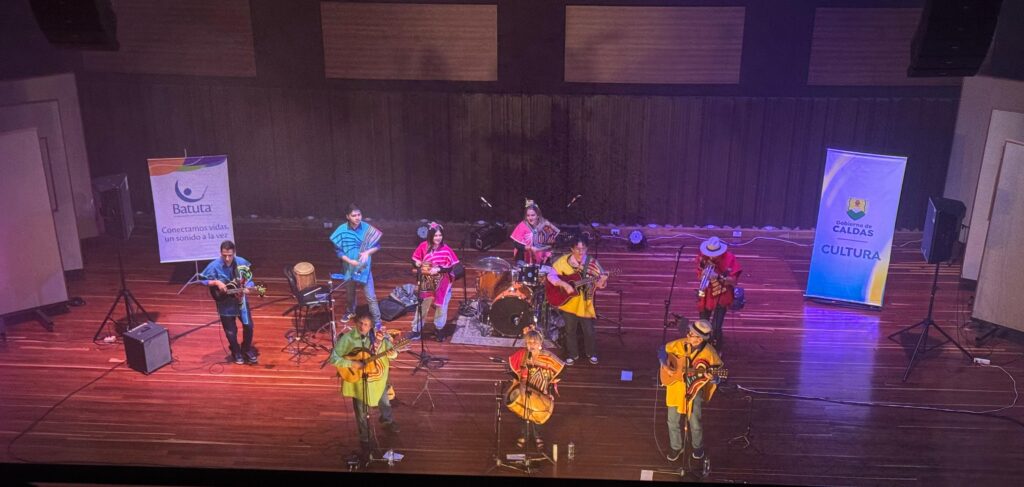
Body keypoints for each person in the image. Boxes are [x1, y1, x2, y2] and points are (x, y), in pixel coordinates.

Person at [329, 311, 400, 461]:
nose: (363, 327)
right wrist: (352, 363)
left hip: (378, 378)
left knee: (384, 401)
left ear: (371, 326)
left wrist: (392, 352)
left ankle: (388, 421)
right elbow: (333, 358)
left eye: (366, 324)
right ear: (355, 323)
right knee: (361, 412)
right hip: (359, 381)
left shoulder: (378, 337)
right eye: (360, 323)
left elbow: (393, 355)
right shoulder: (348, 339)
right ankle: (365, 439)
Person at [661, 319, 723, 462]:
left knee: (695, 421)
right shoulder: (679, 344)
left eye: (693, 335)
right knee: (672, 421)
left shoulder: (709, 352)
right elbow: (661, 351)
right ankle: (676, 447)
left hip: (695, 390)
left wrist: (713, 377)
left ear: (700, 339)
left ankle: (697, 446)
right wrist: (665, 366)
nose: (689, 336)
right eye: (689, 333)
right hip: (675, 389)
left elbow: (717, 375)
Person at [546, 235, 607, 365]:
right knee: (570, 330)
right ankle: (572, 354)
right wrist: (564, 284)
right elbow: (550, 276)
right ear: (572, 249)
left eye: (583, 249)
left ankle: (591, 353)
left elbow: (600, 285)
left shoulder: (592, 263)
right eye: (577, 249)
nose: (580, 252)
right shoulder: (563, 261)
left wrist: (602, 281)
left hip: (585, 303)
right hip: (568, 303)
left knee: (589, 330)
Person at [201, 240, 258, 365]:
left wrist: (249, 287)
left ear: (234, 253)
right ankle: (236, 351)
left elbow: (249, 280)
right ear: (221, 253)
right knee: (231, 331)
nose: (227, 258)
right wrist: (216, 282)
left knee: (249, 326)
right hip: (225, 303)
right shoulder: (214, 265)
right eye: (224, 255)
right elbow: (203, 280)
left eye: (230, 255)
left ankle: (246, 348)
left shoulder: (242, 263)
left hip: (240, 301)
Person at [507, 330, 564, 449]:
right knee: (525, 412)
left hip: (541, 390)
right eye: (529, 342)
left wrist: (550, 391)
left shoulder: (548, 357)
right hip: (525, 389)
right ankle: (524, 435)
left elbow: (560, 371)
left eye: (534, 342)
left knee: (537, 411)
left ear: (540, 343)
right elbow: (512, 370)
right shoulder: (522, 355)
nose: (531, 345)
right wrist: (517, 383)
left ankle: (538, 435)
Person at [330, 203, 383, 328]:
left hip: (365, 268)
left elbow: (377, 246)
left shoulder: (367, 228)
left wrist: (367, 252)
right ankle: (350, 311)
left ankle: (377, 321)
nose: (357, 218)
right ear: (348, 216)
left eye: (359, 215)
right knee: (350, 293)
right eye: (354, 215)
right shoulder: (342, 230)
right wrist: (349, 261)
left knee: (370, 296)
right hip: (349, 267)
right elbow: (338, 251)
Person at [410, 222, 460, 342]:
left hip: (443, 281)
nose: (438, 238)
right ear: (430, 236)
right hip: (427, 278)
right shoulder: (423, 246)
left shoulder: (446, 250)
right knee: (423, 305)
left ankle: (439, 329)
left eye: (440, 235)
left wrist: (438, 269)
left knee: (441, 306)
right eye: (435, 235)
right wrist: (417, 263)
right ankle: (416, 330)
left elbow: (451, 267)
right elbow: (414, 259)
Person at [695, 236, 742, 349]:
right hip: (705, 294)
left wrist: (718, 276)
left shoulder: (730, 258)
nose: (711, 256)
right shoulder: (702, 257)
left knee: (716, 326)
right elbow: (699, 277)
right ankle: (702, 347)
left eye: (714, 253)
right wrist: (704, 273)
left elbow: (733, 282)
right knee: (703, 324)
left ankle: (717, 348)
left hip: (722, 294)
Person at [510, 199, 560, 266]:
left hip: (542, 258)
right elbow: (516, 244)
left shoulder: (545, 225)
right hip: (523, 258)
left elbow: (552, 243)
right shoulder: (522, 225)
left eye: (533, 215)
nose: (530, 218)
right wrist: (529, 247)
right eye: (528, 215)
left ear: (538, 215)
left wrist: (551, 243)